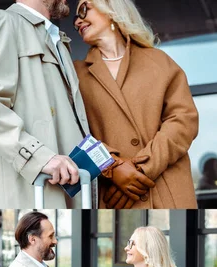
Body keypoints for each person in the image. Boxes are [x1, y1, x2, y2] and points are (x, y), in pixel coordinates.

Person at [0, 0, 91, 208]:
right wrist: (39, 157)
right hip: (28, 193)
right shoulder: (3, 22)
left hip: (67, 189)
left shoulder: (57, 39)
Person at [73, 0, 199, 209]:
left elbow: (184, 120)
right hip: (113, 194)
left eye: (84, 9)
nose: (77, 21)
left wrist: (141, 169)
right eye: (76, 16)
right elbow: (74, 134)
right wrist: (113, 167)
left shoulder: (159, 62)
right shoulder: (76, 74)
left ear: (111, 9)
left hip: (167, 188)